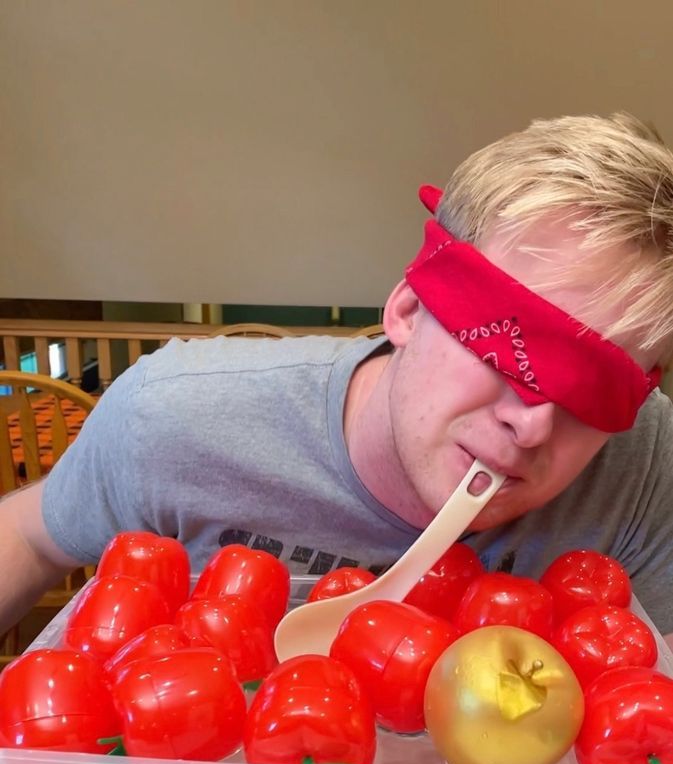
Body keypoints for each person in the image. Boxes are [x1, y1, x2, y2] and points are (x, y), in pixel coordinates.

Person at [2, 111, 673, 642]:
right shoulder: (175, 420)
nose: (531, 424)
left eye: (596, 392)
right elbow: (31, 537)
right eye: (508, 349)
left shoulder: (643, 465)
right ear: (407, 309)